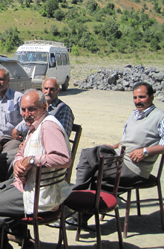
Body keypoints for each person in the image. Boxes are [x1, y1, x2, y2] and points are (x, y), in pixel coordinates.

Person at [0, 89, 72, 249]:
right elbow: (22, 151)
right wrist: (19, 162)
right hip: (29, 185)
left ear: (44, 107)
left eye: (31, 109)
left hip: (40, 193)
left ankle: (0, 245)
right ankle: (20, 237)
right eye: (23, 109)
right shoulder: (36, 125)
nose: (26, 114)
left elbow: (64, 158)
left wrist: (32, 160)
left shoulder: (48, 126)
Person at [70, 82, 164, 226]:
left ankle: (76, 201)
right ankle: (79, 210)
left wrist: (145, 151)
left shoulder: (159, 116)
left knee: (94, 172)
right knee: (91, 155)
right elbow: (129, 139)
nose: (137, 101)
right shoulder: (135, 115)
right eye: (135, 98)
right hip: (121, 159)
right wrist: (116, 146)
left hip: (134, 167)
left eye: (142, 97)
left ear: (152, 97)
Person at [0, 77, 75, 181]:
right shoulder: (37, 106)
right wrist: (19, 132)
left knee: (8, 162)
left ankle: (11, 186)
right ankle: (4, 186)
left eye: (52, 89)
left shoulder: (63, 110)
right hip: (31, 147)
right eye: (46, 88)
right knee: (0, 160)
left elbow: (61, 139)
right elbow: (27, 121)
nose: (48, 92)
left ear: (58, 91)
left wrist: (31, 157)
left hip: (43, 155)